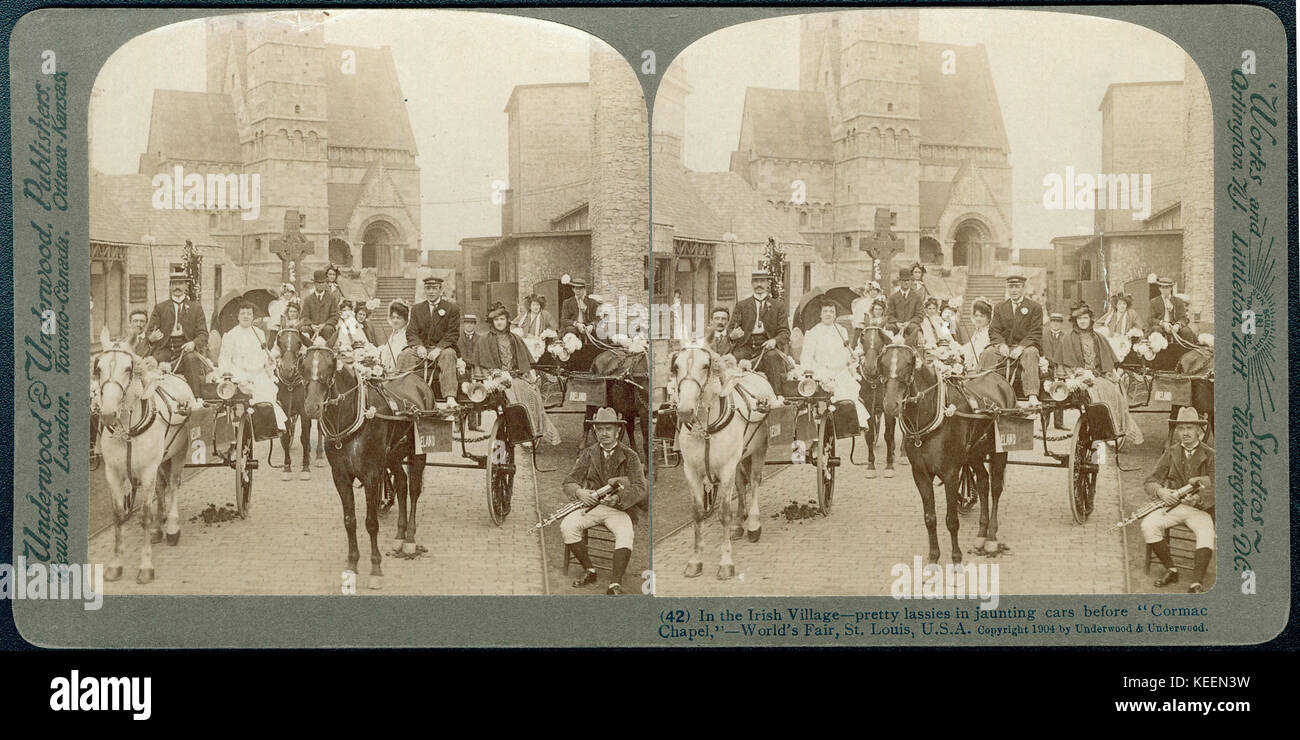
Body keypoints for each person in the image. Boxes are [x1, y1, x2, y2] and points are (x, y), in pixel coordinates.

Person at [561, 406, 647, 596]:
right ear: (594, 431)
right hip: (591, 506)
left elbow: (640, 488)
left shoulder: (630, 456)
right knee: (567, 526)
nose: (604, 434)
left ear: (618, 431)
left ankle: (614, 584)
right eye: (600, 429)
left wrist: (617, 499)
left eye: (609, 429)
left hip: (620, 510)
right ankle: (590, 570)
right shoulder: (589, 453)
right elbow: (569, 481)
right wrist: (580, 492)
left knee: (625, 533)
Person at [1142, 407, 1215, 593]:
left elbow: (1219, 487)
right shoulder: (1171, 452)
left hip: (1200, 510)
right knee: (1148, 525)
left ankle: (1196, 582)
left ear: (1200, 431)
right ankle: (1171, 569)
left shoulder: (1211, 455)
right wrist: (1161, 492)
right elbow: (1150, 481)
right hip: (1173, 506)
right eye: (1181, 429)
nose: (1185, 433)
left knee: (1206, 533)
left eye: (1189, 428)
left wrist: (1199, 498)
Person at [469, 304, 561, 446]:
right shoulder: (484, 340)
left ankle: (529, 431)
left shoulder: (515, 338)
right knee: (512, 393)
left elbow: (523, 363)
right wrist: (492, 374)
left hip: (515, 376)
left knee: (531, 393)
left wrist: (522, 374)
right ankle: (520, 432)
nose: (499, 322)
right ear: (492, 322)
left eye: (502, 319)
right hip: (495, 378)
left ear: (507, 320)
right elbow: (480, 365)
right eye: (496, 320)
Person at [1057, 302, 1144, 445]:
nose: (1082, 321)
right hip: (1078, 376)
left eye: (1085, 318)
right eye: (1079, 319)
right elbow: (1065, 363)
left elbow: (1107, 363)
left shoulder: (1098, 337)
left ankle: (1115, 429)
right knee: (1095, 396)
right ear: (1075, 321)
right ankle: (1102, 430)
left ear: (1090, 319)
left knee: (1114, 393)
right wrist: (1076, 374)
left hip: (1097, 375)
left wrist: (1109, 375)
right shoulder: (1068, 338)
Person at [218, 302, 287, 429]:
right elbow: (225, 359)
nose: (246, 316)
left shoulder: (259, 333)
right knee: (245, 388)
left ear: (253, 316)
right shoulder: (231, 335)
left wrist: (269, 361)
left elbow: (263, 356)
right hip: (239, 372)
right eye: (243, 313)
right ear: (237, 317)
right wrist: (228, 374)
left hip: (257, 372)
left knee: (267, 390)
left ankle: (265, 425)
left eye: (249, 314)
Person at [801, 299, 871, 427]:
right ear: (820, 314)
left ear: (835, 315)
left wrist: (851, 359)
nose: (828, 314)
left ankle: (848, 422)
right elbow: (807, 355)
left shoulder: (841, 331)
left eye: (831, 312)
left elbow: (845, 354)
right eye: (825, 311)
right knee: (827, 386)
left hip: (839, 370)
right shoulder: (813, 332)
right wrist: (808, 371)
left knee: (849, 390)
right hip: (820, 369)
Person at [144, 266, 209, 397]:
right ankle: (152, 403)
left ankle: (197, 399)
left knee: (191, 360)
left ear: (186, 286)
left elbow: (203, 334)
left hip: (186, 350)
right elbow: (149, 333)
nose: (177, 287)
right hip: (165, 349)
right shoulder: (160, 308)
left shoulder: (196, 308)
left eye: (180, 283)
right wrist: (152, 337)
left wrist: (193, 343)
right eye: (174, 283)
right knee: (150, 364)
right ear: (170, 287)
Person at [979, 275, 1042, 406]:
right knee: (988, 353)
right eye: (1011, 287)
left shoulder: (1034, 307)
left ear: (1023, 288)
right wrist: (1001, 345)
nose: (1014, 290)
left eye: (1017, 287)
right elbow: (994, 330)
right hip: (1005, 346)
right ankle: (985, 392)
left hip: (1025, 347)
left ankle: (1032, 395)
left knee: (1031, 353)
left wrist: (1021, 347)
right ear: (1007, 288)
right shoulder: (1000, 307)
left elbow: (1035, 332)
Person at [725, 271, 790, 391]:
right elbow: (730, 330)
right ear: (751, 283)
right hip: (746, 345)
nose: (758, 284)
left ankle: (777, 395)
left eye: (762, 281)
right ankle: (735, 396)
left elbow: (785, 331)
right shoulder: (742, 305)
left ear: (768, 284)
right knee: (735, 358)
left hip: (767, 347)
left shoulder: (778, 306)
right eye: (755, 281)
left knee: (772, 357)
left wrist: (774, 341)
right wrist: (732, 335)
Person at [408, 275, 462, 407]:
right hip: (422, 348)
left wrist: (439, 349)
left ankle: (450, 397)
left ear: (441, 290)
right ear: (424, 290)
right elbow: (411, 332)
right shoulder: (416, 309)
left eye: (434, 288)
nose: (431, 291)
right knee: (404, 356)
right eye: (428, 288)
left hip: (442, 349)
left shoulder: (452, 308)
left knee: (449, 355)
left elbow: (453, 333)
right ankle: (400, 393)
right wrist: (418, 346)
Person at [1148, 276, 1198, 344]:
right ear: (1159, 288)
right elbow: (1151, 319)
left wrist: (1178, 325)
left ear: (1171, 288)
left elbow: (1183, 318)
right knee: (1156, 330)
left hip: (1175, 326)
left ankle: (1186, 352)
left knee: (1186, 331)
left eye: (1167, 287)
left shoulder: (1178, 301)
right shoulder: (1154, 302)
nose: (1165, 290)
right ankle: (1159, 353)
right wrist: (1163, 323)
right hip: (1161, 326)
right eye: (1162, 287)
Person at [1041, 311, 1068, 430]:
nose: (1055, 324)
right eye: (1053, 321)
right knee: (1045, 393)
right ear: (1050, 323)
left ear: (1061, 323)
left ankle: (1059, 423)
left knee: (1060, 393)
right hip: (1046, 367)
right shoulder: (1044, 335)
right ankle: (1045, 422)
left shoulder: (1065, 337)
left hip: (1060, 368)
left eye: (1058, 322)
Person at [378, 300, 420, 374]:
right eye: (393, 317)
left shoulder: (406, 335)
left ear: (405, 320)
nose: (395, 320)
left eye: (399, 318)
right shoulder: (394, 334)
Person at [300, 269, 340, 344]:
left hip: (326, 327)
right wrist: (311, 325)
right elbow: (304, 316)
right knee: (304, 329)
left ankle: (328, 352)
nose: (321, 285)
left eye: (323, 282)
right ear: (314, 283)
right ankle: (305, 352)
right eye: (318, 283)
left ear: (326, 283)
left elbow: (335, 316)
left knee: (328, 329)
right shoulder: (308, 299)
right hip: (311, 328)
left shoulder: (331, 298)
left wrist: (324, 324)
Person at [885, 268, 924, 334]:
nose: (906, 283)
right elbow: (889, 314)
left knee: (914, 328)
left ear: (911, 281)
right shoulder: (893, 297)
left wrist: (909, 322)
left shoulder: (916, 297)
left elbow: (919, 315)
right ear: (899, 282)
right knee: (889, 327)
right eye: (904, 280)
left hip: (910, 324)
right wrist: (896, 323)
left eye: (908, 280)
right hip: (896, 325)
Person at [961, 299, 993, 370]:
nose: (978, 319)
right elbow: (969, 347)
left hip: (982, 368)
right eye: (976, 315)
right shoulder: (977, 332)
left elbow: (981, 353)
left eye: (982, 316)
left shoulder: (988, 333)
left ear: (988, 318)